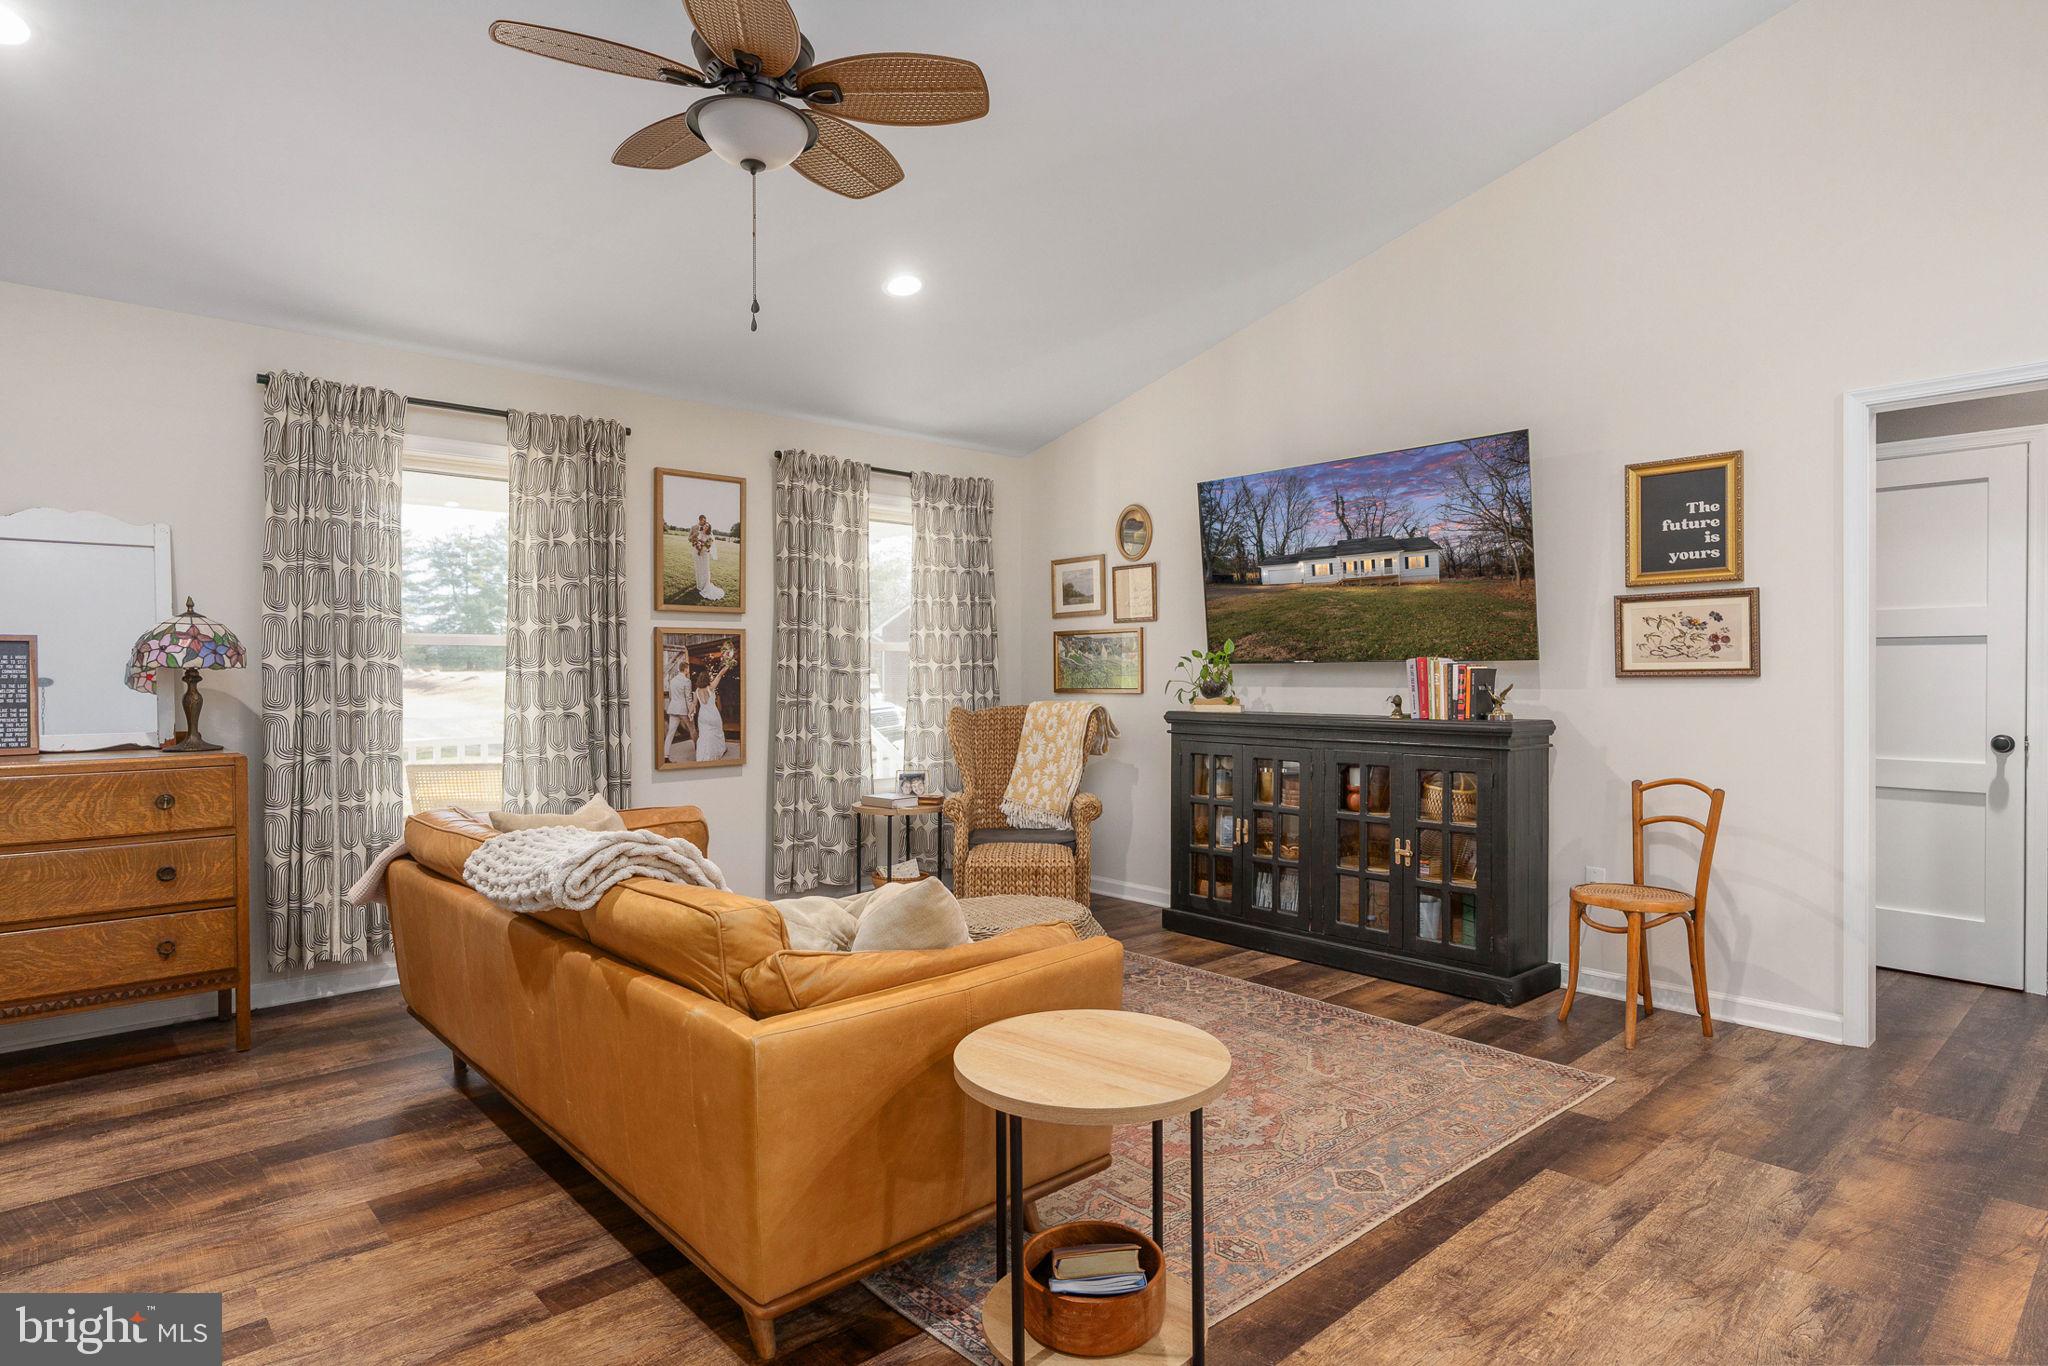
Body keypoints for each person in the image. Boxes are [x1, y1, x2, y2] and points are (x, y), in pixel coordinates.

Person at [693, 654, 736, 762]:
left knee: (703, 735)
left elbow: (693, 705)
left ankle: (702, 756)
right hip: (713, 715)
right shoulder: (711, 687)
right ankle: (716, 752)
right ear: (707, 678)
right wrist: (728, 664)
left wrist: (691, 712)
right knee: (717, 733)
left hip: (702, 716)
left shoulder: (696, 691)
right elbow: (720, 675)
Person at [664, 654, 696, 761]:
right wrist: (691, 711)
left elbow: (671, 696)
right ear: (685, 669)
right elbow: (688, 698)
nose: (688, 671)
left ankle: (666, 756)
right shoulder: (687, 681)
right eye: (688, 669)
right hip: (683, 709)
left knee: (670, 732)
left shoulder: (672, 680)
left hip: (673, 708)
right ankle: (699, 751)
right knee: (692, 729)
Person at [689, 515, 725, 602]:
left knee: (704, 569)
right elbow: (693, 540)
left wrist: (702, 547)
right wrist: (697, 545)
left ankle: (704, 585)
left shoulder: (710, 536)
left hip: (704, 554)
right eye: (704, 525)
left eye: (707, 526)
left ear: (709, 528)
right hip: (697, 554)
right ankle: (699, 584)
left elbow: (708, 546)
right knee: (698, 568)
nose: (705, 527)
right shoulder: (699, 533)